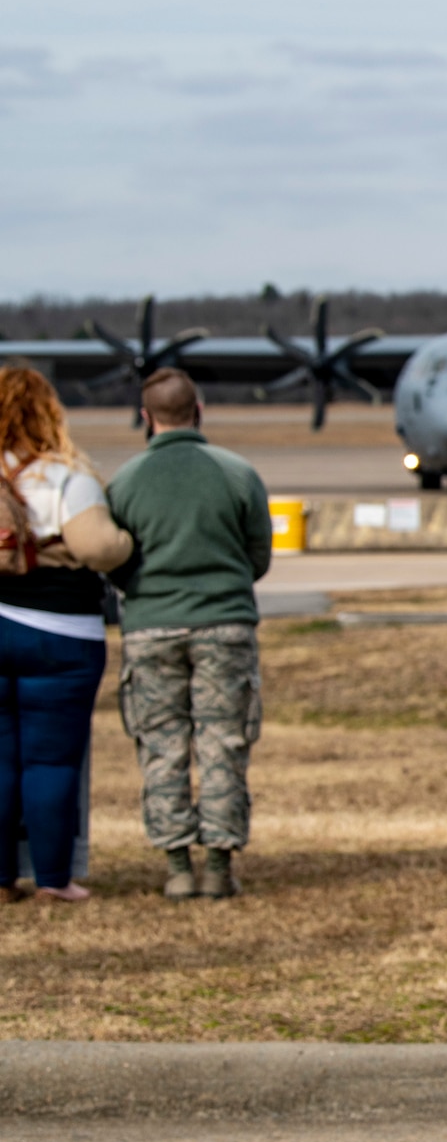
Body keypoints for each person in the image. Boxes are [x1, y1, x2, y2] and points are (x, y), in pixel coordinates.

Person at [106, 368, 272, 901]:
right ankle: (219, 866)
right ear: (198, 411)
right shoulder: (237, 473)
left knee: (162, 745)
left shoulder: (126, 480)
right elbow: (258, 556)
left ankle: (177, 864)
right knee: (223, 741)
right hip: (224, 624)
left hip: (151, 627)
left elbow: (114, 558)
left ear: (145, 415)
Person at [0, 366, 134, 903]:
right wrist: (126, 540)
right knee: (51, 760)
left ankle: (3, 879)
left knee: (2, 758)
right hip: (60, 635)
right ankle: (54, 878)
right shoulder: (67, 478)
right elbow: (99, 549)